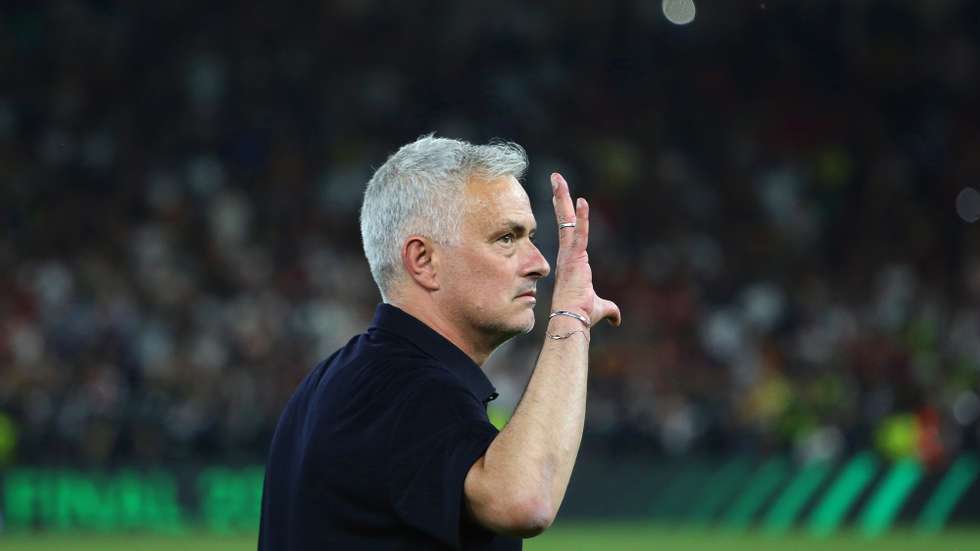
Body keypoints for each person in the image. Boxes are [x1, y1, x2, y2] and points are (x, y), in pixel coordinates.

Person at [258, 135, 621, 550]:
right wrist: (570, 319)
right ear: (423, 261)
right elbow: (524, 500)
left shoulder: (340, 379)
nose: (539, 263)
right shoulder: (402, 388)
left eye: (531, 237)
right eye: (506, 238)